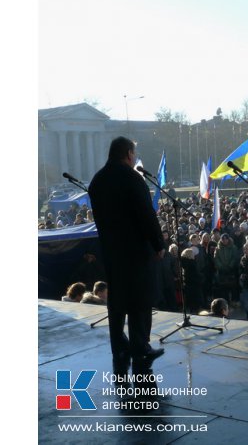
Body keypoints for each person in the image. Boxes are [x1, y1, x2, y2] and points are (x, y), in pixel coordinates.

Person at [88, 136, 166, 379]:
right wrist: (158, 243)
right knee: (140, 300)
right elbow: (146, 215)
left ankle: (119, 346)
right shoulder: (133, 179)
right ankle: (140, 346)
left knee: (118, 300)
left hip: (111, 251)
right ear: (129, 154)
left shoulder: (97, 181)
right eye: (134, 154)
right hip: (136, 251)